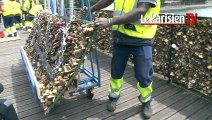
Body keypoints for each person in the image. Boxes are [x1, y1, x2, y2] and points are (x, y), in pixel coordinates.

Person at [82, 0, 160, 119]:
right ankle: (113, 97)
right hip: (120, 38)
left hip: (142, 39)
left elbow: (142, 10)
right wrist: (90, 9)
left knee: (143, 74)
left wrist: (110, 21)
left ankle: (146, 101)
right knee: (116, 71)